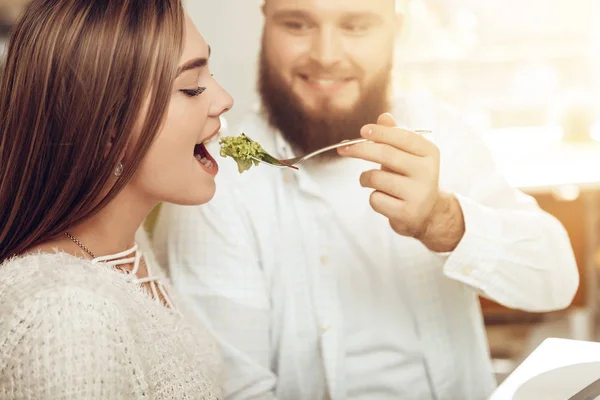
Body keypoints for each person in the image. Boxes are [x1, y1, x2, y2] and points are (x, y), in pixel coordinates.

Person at [152, 0, 579, 399]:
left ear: (395, 30)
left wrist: (442, 220)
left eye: (356, 25)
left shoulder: (439, 129)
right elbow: (236, 388)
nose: (326, 55)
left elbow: (556, 280)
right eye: (297, 24)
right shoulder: (214, 183)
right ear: (267, 21)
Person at [0, 0, 233, 398]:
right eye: (191, 87)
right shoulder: (66, 319)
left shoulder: (125, 248)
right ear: (108, 127)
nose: (224, 99)